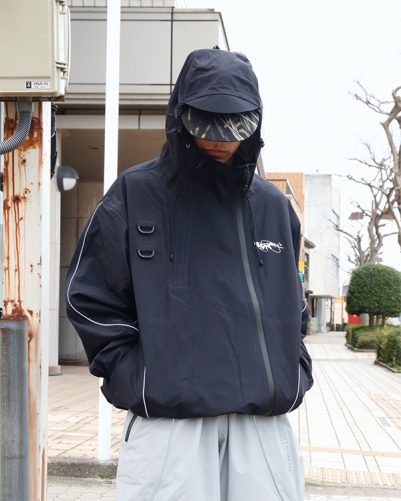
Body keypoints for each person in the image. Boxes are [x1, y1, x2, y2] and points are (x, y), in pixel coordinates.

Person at [66, 48, 313, 501]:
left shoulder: (273, 206)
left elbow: (292, 306)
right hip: (170, 425)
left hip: (261, 423)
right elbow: (89, 299)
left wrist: (291, 369)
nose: (220, 138)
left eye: (234, 124)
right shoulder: (135, 194)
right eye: (207, 122)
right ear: (181, 115)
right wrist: (139, 377)